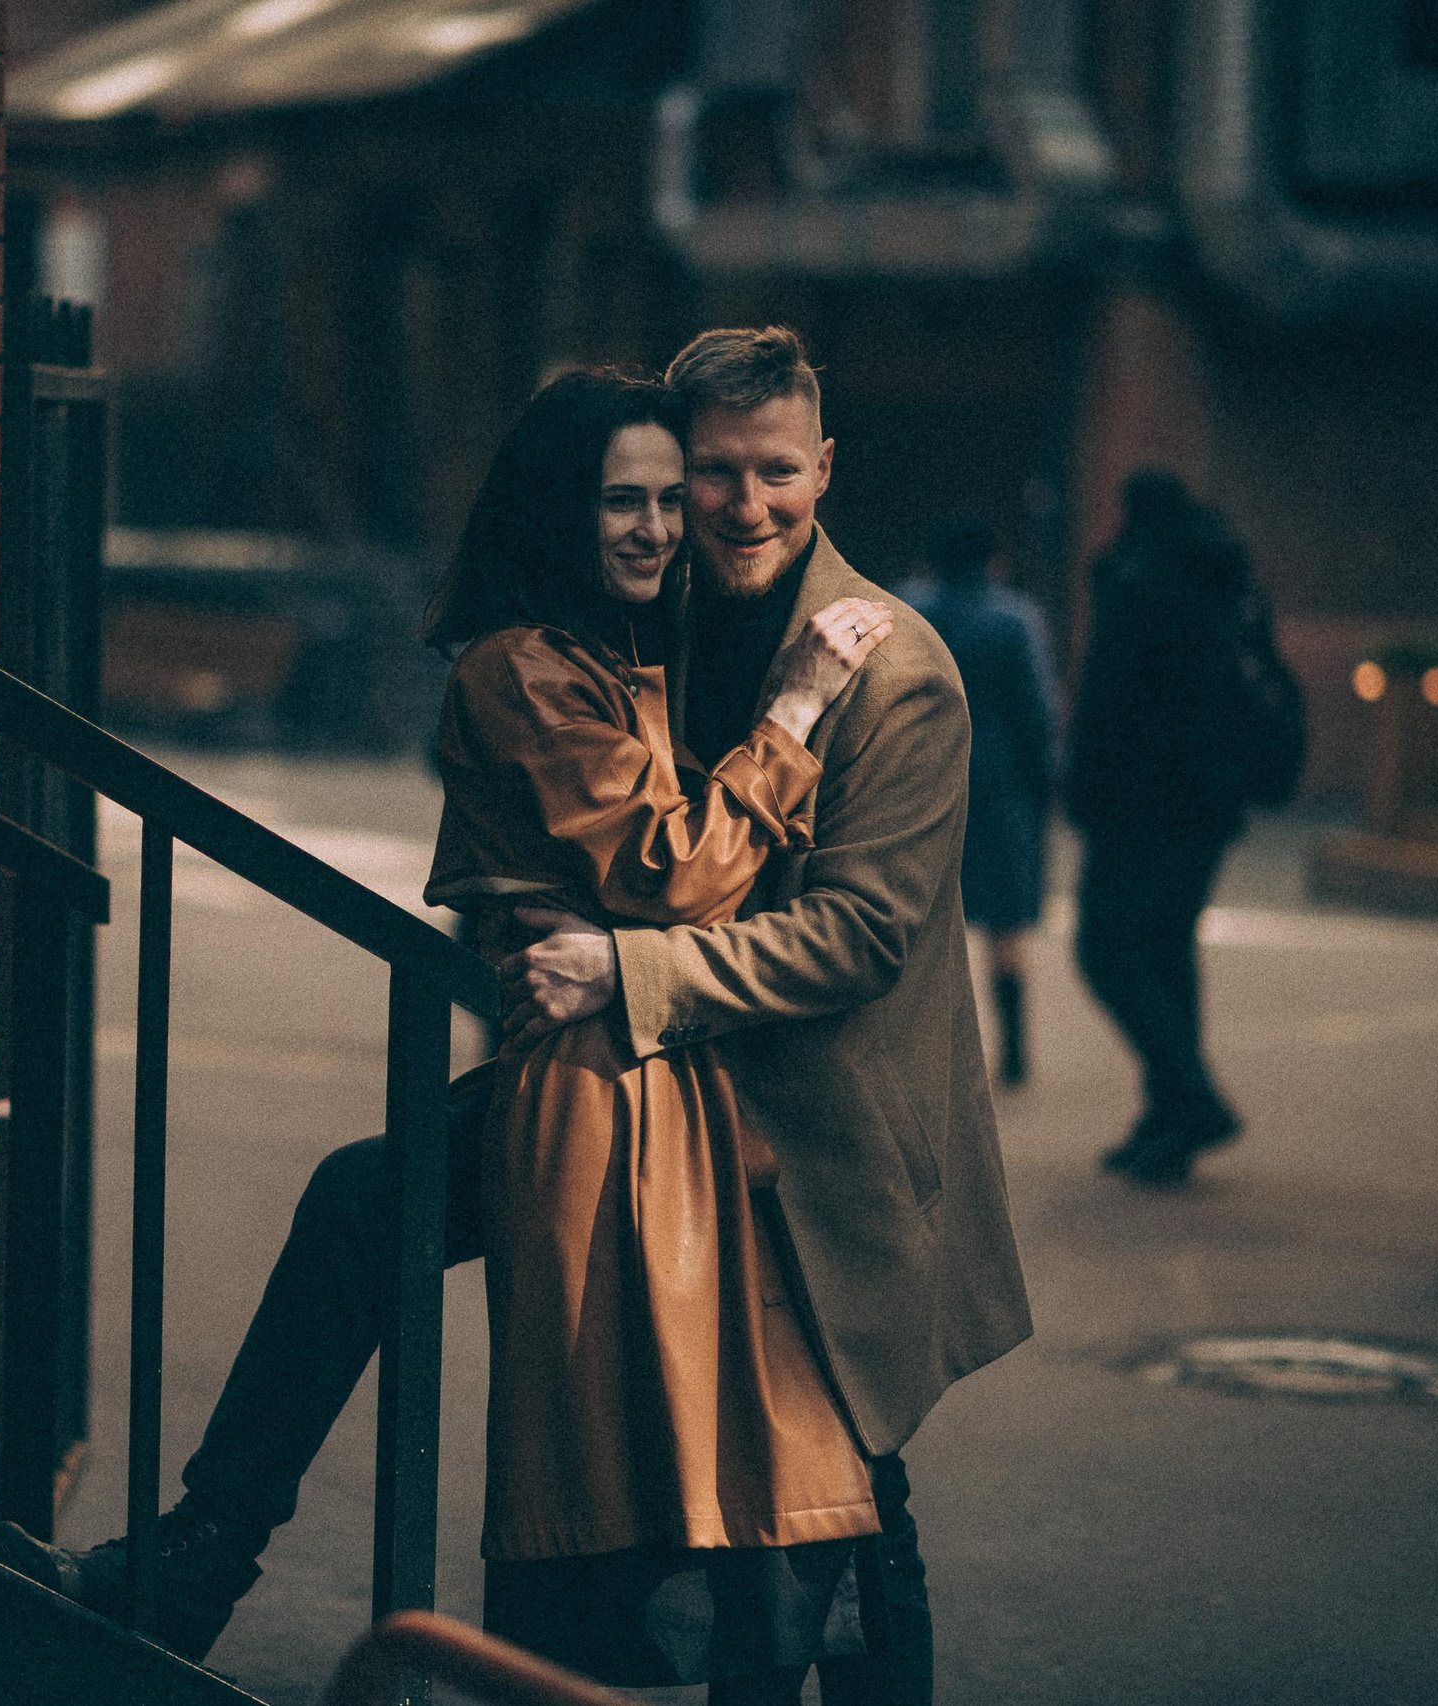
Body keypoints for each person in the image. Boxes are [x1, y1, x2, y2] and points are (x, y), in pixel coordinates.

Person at [0, 331, 1032, 1704]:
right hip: (651, 1094)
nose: (731, 506)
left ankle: (197, 1561)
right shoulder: (662, 617)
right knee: (369, 1201)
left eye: (771, 471)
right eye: (701, 475)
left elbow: (858, 933)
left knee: (840, 1497)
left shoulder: (889, 670)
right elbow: (565, 807)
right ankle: (196, 1558)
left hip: (808, 1126)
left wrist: (625, 970)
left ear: (824, 467)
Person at [418, 367, 898, 1696]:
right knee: (659, 1459)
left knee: (753, 1460)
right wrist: (795, 711)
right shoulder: (524, 666)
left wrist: (625, 960)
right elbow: (672, 867)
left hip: (674, 1082)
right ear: (553, 514)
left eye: (660, 497)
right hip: (601, 1098)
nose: (654, 526)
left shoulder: (632, 655)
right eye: (616, 501)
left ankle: (193, 1552)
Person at [1065, 469, 1267, 1186]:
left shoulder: (1136, 578)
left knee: (1105, 950)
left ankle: (1192, 1097)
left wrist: (1082, 786)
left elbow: (1108, 694)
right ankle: (1169, 1121)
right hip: (1211, 798)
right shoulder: (1229, 575)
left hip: (1138, 801)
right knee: (1167, 950)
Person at [895, 520, 1061, 1086]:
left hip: (920, 783)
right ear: (994, 558)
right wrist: (1048, 782)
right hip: (1000, 789)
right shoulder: (1014, 619)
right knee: (1006, 923)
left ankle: (928, 1050)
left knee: (927, 917)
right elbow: (1037, 713)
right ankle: (1013, 1051)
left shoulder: (907, 609)